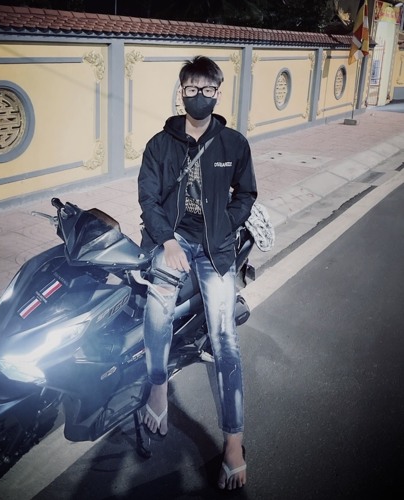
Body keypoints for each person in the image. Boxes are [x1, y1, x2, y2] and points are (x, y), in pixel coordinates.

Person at [137, 55, 257, 490]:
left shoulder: (233, 143)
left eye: (208, 89)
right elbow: (147, 198)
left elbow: (247, 192)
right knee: (157, 309)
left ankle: (233, 443)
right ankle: (158, 389)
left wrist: (227, 223)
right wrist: (167, 241)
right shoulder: (159, 144)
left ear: (218, 94)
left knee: (225, 337)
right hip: (172, 239)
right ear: (181, 92)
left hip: (216, 248)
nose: (200, 96)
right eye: (192, 89)